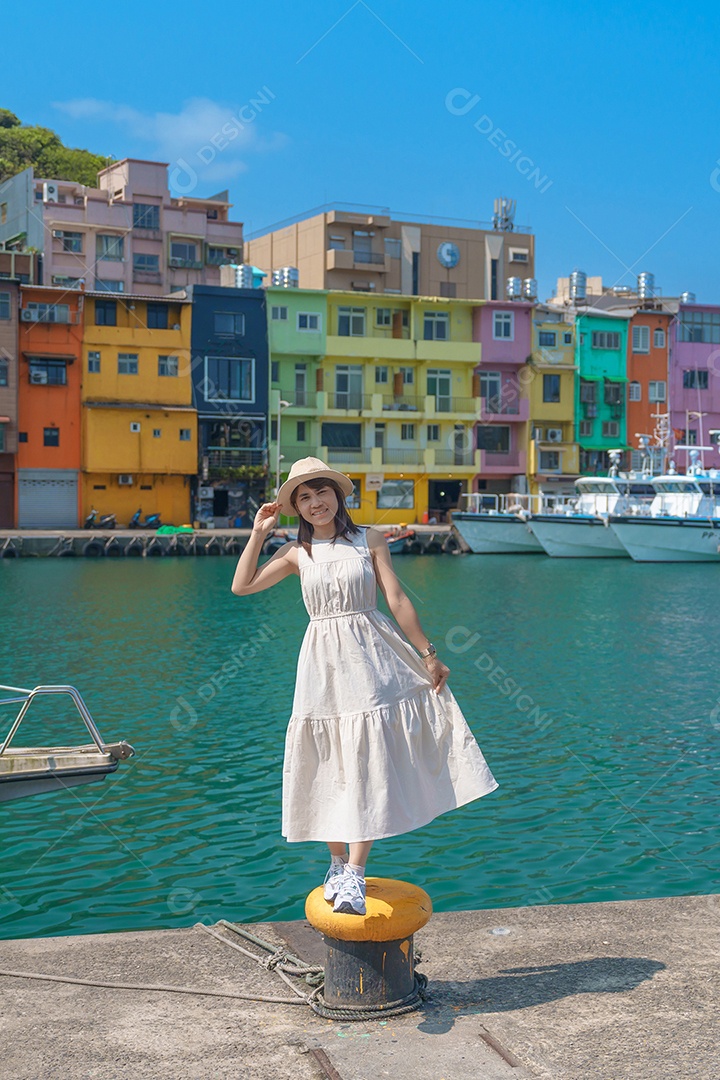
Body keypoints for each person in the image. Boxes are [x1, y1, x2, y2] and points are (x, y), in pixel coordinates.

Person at [231, 458, 498, 916]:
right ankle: (336, 862)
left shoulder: (368, 540)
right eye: (305, 498)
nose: (316, 504)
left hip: (372, 658)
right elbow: (242, 586)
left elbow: (396, 599)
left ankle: (355, 869)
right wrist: (258, 532)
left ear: (338, 495)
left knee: (364, 755)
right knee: (327, 754)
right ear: (295, 507)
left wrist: (428, 654)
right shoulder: (297, 553)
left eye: (322, 493)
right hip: (322, 662)